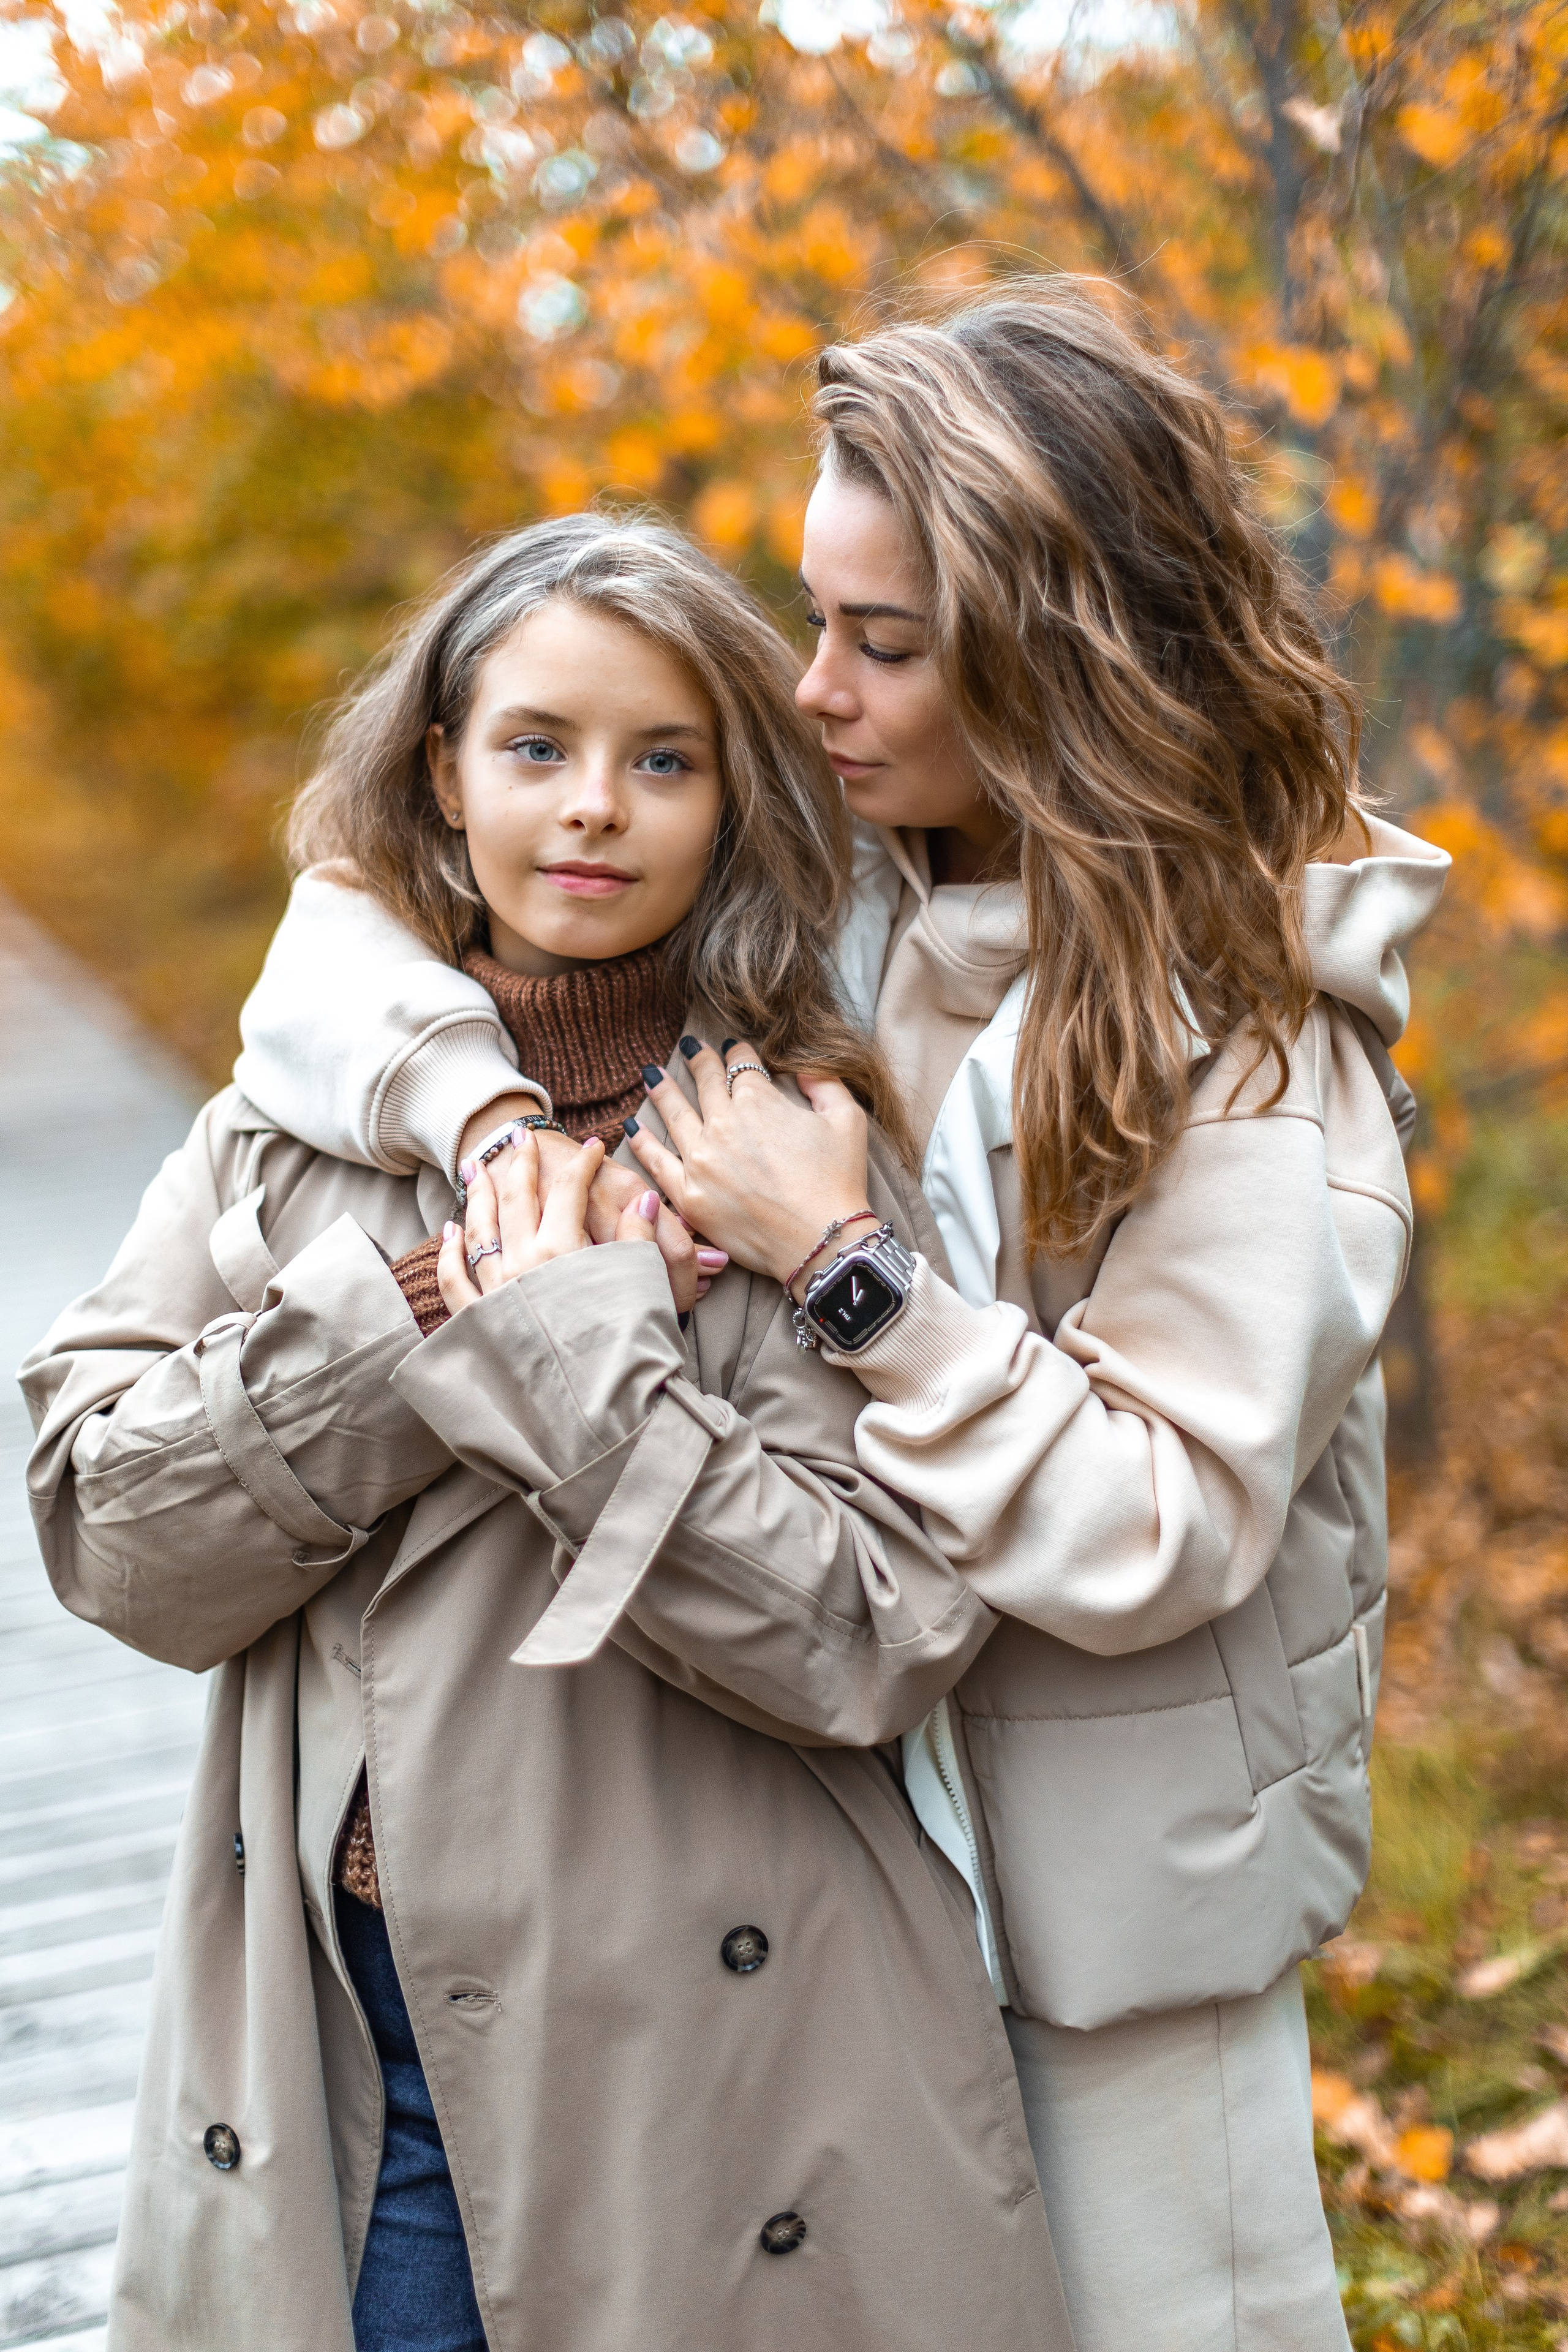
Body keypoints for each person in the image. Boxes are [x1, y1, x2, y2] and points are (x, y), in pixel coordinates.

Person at [232, 281, 1451, 2351]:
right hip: (796, 1863)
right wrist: (486, 1106)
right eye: (813, 621)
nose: (814, 691)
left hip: (1100, 1917)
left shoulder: (1260, 1050)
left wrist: (845, 1268)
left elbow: (1160, 1529)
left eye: (884, 646)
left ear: (1056, 664)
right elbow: (351, 921)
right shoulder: (854, 880)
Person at [20, 516, 1075, 2352]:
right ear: (441, 776)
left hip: (729, 2052)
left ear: (735, 800)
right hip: (371, 2036)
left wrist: (568, 1354)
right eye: (537, 748)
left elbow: (873, 1640)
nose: (594, 807)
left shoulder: (788, 1151)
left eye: (661, 759)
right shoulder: (283, 1141)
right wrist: (427, 1313)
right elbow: (110, 1536)